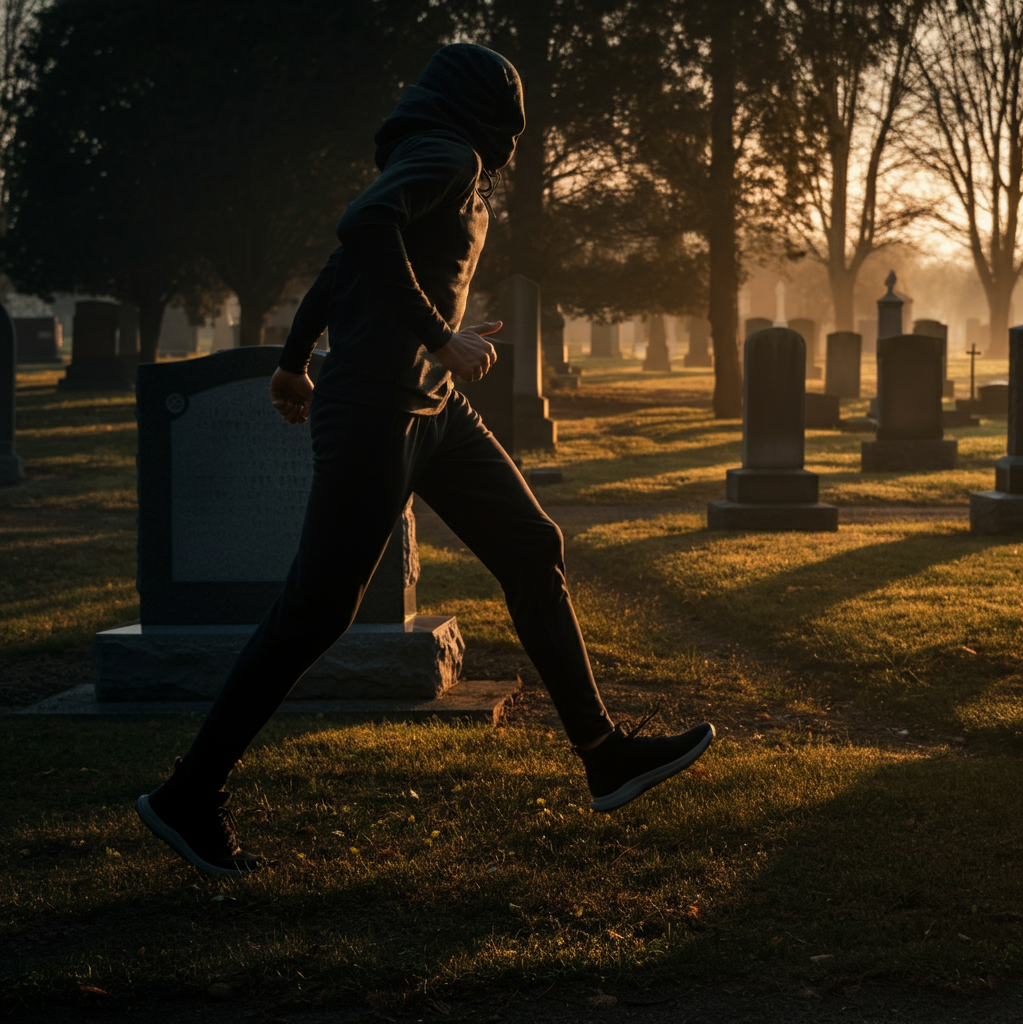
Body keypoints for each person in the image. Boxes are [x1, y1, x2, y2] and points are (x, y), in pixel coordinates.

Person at [136, 43, 714, 877]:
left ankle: (602, 752)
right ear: (491, 111)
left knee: (532, 545)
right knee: (316, 611)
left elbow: (342, 270)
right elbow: (358, 231)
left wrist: (296, 359)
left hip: (431, 409)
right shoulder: (449, 151)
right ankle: (189, 794)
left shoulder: (435, 156)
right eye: (511, 114)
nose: (514, 134)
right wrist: (439, 335)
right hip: (375, 410)